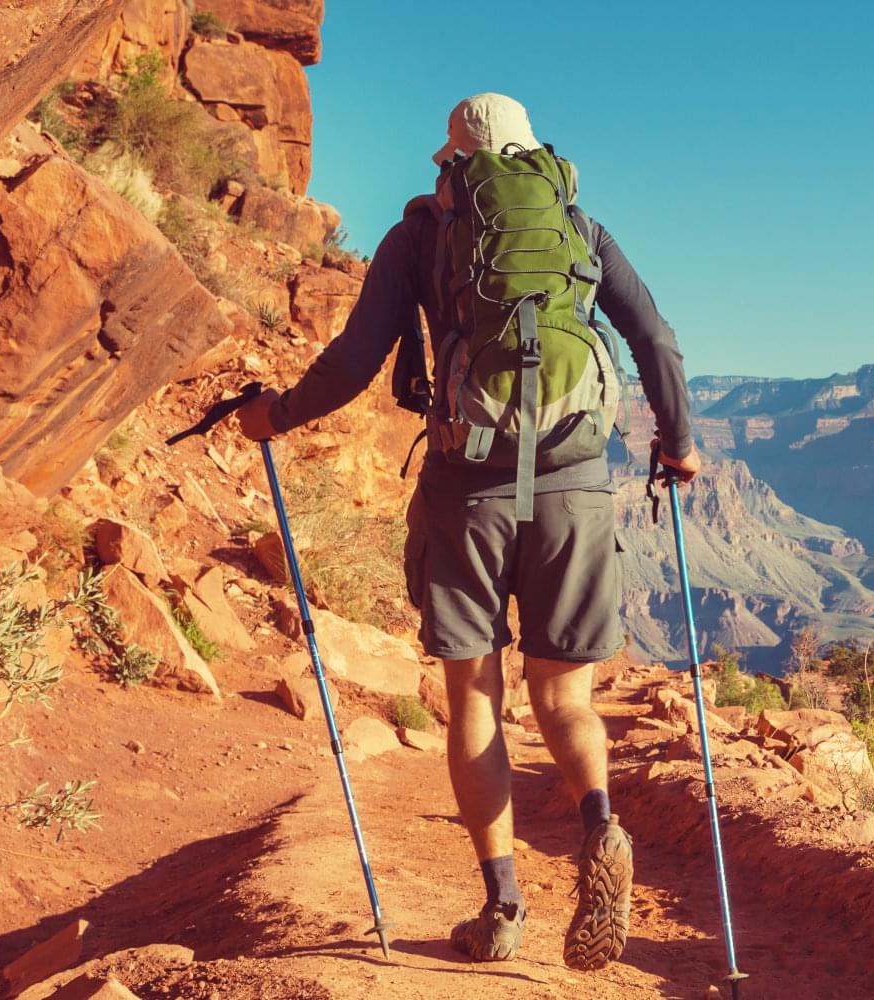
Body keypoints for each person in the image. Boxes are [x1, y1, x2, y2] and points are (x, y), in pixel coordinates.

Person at [236, 92, 700, 970]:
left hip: (465, 491)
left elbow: (356, 358)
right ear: (533, 158)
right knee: (567, 699)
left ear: (451, 161)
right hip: (575, 488)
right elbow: (657, 341)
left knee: (476, 697)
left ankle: (503, 906)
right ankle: (600, 823)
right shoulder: (581, 231)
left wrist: (279, 415)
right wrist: (679, 447)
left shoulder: (419, 238)